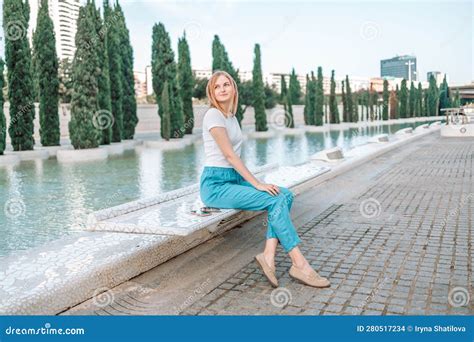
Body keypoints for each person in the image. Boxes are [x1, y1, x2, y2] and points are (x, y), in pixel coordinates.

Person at [199, 70, 330, 288]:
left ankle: (268, 255)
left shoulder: (231, 117)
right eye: (216, 86)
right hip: (216, 185)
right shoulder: (213, 115)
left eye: (226, 84)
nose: (222, 89)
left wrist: (253, 181)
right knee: (275, 199)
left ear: (233, 88)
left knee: (284, 194)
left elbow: (237, 159)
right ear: (212, 92)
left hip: (232, 179)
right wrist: (257, 183)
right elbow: (230, 156)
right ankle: (300, 264)